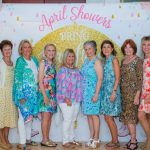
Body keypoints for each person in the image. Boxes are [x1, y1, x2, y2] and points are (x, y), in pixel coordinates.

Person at [13, 40, 39, 150]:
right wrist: (20, 96)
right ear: (21, 49)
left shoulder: (34, 60)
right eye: (25, 47)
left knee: (30, 117)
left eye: (29, 47)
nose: (27, 49)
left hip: (33, 95)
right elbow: (17, 79)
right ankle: (22, 142)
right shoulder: (20, 61)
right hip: (23, 95)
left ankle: (28, 139)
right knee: (22, 117)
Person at [56, 49, 82, 148]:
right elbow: (60, 85)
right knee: (67, 119)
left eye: (72, 56)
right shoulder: (63, 69)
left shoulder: (76, 69)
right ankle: (65, 141)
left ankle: (71, 139)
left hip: (76, 99)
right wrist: (66, 98)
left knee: (73, 119)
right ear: (65, 57)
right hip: (65, 99)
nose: (71, 58)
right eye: (69, 56)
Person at [120, 39, 143, 150]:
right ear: (124, 49)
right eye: (126, 47)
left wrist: (137, 95)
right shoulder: (123, 60)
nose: (128, 49)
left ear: (134, 49)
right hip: (124, 95)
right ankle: (132, 139)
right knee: (128, 118)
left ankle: (134, 141)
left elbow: (140, 79)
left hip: (133, 95)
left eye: (130, 47)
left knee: (130, 119)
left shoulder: (138, 61)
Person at [81, 40, 103, 149]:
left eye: (90, 48)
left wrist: (96, 94)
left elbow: (100, 79)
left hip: (94, 92)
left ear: (94, 49)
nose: (88, 51)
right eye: (86, 49)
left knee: (94, 115)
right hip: (86, 93)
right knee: (89, 115)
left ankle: (96, 138)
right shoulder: (86, 61)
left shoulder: (96, 62)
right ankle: (91, 137)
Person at [100, 40, 121, 148]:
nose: (106, 49)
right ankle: (114, 140)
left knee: (109, 117)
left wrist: (114, 92)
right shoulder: (104, 61)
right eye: (104, 47)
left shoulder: (114, 60)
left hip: (112, 92)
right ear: (102, 50)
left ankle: (115, 141)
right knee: (107, 117)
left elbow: (117, 78)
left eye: (108, 47)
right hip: (105, 93)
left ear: (112, 49)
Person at [38, 44, 57, 147]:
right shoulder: (43, 63)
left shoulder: (53, 64)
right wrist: (45, 96)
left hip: (52, 94)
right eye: (49, 50)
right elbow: (40, 81)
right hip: (44, 93)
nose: (51, 52)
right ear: (45, 52)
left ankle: (47, 138)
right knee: (45, 117)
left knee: (49, 116)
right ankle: (44, 140)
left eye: (53, 50)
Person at [0, 40, 18, 150]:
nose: (7, 51)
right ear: (2, 51)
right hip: (2, 93)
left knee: (8, 118)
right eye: (5, 49)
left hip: (11, 94)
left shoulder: (13, 63)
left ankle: (6, 139)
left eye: (9, 49)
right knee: (1, 117)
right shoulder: (1, 64)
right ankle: (1, 140)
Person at [138, 36, 150, 150]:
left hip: (149, 94)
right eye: (144, 45)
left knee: (141, 115)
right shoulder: (143, 60)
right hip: (144, 92)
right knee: (144, 116)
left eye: (149, 45)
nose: (146, 47)